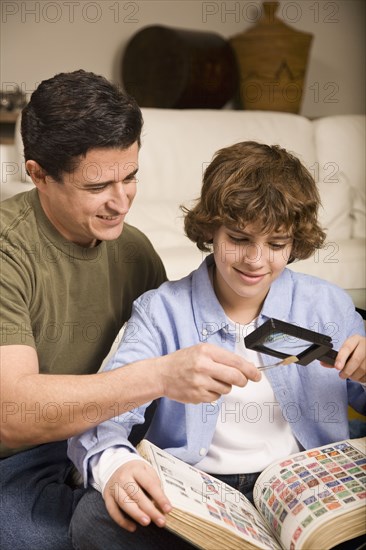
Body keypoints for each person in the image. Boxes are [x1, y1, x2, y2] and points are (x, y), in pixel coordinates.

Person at [0, 71, 257, 550]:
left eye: (131, 176)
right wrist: (158, 377)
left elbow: (176, 342)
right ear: (37, 175)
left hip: (110, 427)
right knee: (35, 536)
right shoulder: (8, 252)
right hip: (21, 454)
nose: (121, 201)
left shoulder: (135, 250)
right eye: (98, 185)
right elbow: (15, 413)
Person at [68, 141, 366, 550]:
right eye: (240, 239)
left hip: (303, 482)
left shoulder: (327, 304)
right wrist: (117, 467)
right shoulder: (161, 311)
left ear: (295, 244)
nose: (257, 260)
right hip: (199, 491)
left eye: (277, 245)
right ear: (210, 229)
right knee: (95, 518)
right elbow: (103, 414)